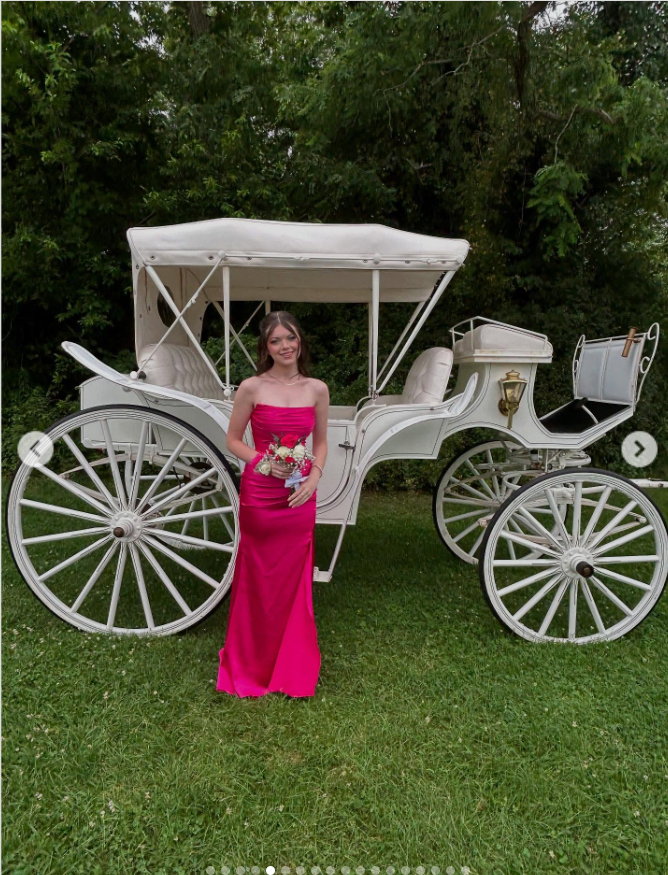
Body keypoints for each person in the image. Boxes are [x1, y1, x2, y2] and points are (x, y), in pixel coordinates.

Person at [217, 310, 329, 698]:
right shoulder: (251, 387)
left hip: (299, 496)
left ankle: (291, 665)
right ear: (266, 347)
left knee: (293, 579)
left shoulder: (317, 388)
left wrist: (315, 477)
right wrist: (264, 462)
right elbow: (233, 440)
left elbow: (321, 443)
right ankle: (252, 664)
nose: (285, 346)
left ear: (301, 341)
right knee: (259, 577)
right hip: (262, 495)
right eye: (276, 340)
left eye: (291, 338)